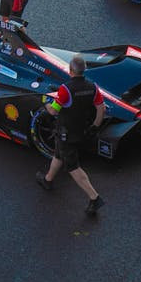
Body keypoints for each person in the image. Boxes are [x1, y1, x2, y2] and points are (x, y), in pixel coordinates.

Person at [35, 54, 106, 216]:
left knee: (73, 166)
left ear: (70, 70)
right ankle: (48, 180)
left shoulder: (65, 89)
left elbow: (53, 110)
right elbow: (101, 108)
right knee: (59, 153)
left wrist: (45, 101)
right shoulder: (93, 87)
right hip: (82, 130)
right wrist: (95, 126)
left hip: (67, 132)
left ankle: (94, 198)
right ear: (84, 70)